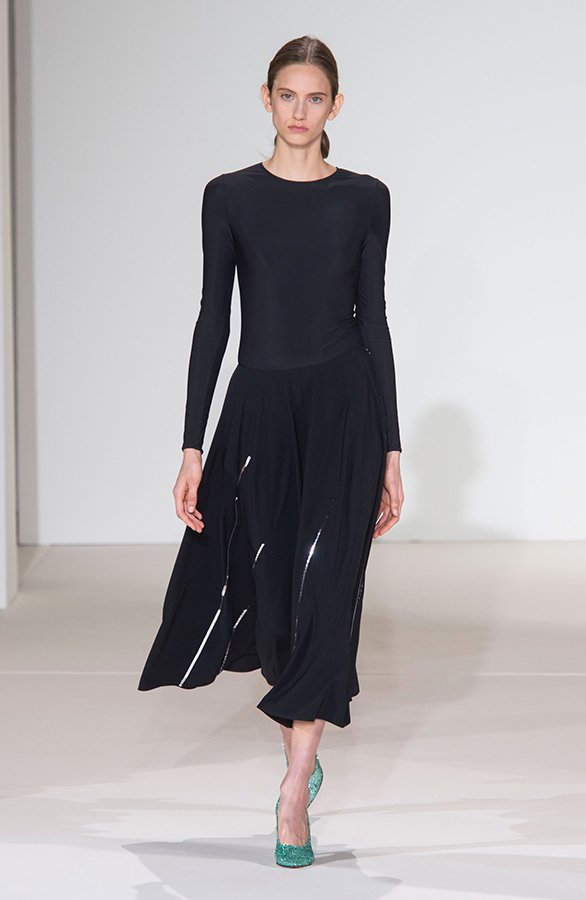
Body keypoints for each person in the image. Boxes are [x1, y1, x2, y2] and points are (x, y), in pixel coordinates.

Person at [138, 34, 405, 867]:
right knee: (275, 597)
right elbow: (213, 319)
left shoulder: (365, 198)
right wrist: (192, 444)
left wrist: (392, 450)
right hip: (260, 412)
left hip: (344, 414)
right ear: (266, 98)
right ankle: (302, 752)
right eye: (287, 95)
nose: (300, 111)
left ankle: (293, 790)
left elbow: (374, 320)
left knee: (329, 591)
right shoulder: (229, 197)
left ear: (335, 105)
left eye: (314, 97)